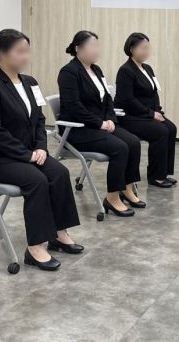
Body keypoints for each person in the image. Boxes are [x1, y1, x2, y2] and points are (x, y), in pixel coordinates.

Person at [0, 29, 83, 272]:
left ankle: (59, 234)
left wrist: (40, 147)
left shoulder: (30, 82)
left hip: (29, 152)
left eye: (27, 51)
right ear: (2, 54)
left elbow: (40, 120)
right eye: (20, 52)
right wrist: (27, 155)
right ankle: (35, 247)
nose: (26, 56)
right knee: (37, 180)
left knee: (59, 173)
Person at [57, 30, 143, 217]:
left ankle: (127, 189)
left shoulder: (96, 70)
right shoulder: (69, 72)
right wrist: (100, 123)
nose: (96, 50)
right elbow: (74, 107)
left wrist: (110, 119)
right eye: (92, 46)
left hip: (100, 125)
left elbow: (107, 100)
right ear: (78, 48)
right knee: (120, 147)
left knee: (133, 142)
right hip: (78, 129)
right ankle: (112, 197)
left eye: (97, 46)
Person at [114, 32, 178, 188]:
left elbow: (154, 93)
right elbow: (128, 100)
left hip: (146, 114)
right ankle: (156, 177)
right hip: (129, 116)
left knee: (171, 128)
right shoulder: (125, 71)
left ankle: (164, 172)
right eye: (143, 48)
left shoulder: (147, 68)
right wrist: (151, 114)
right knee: (160, 131)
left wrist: (158, 111)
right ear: (132, 49)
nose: (146, 51)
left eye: (147, 48)